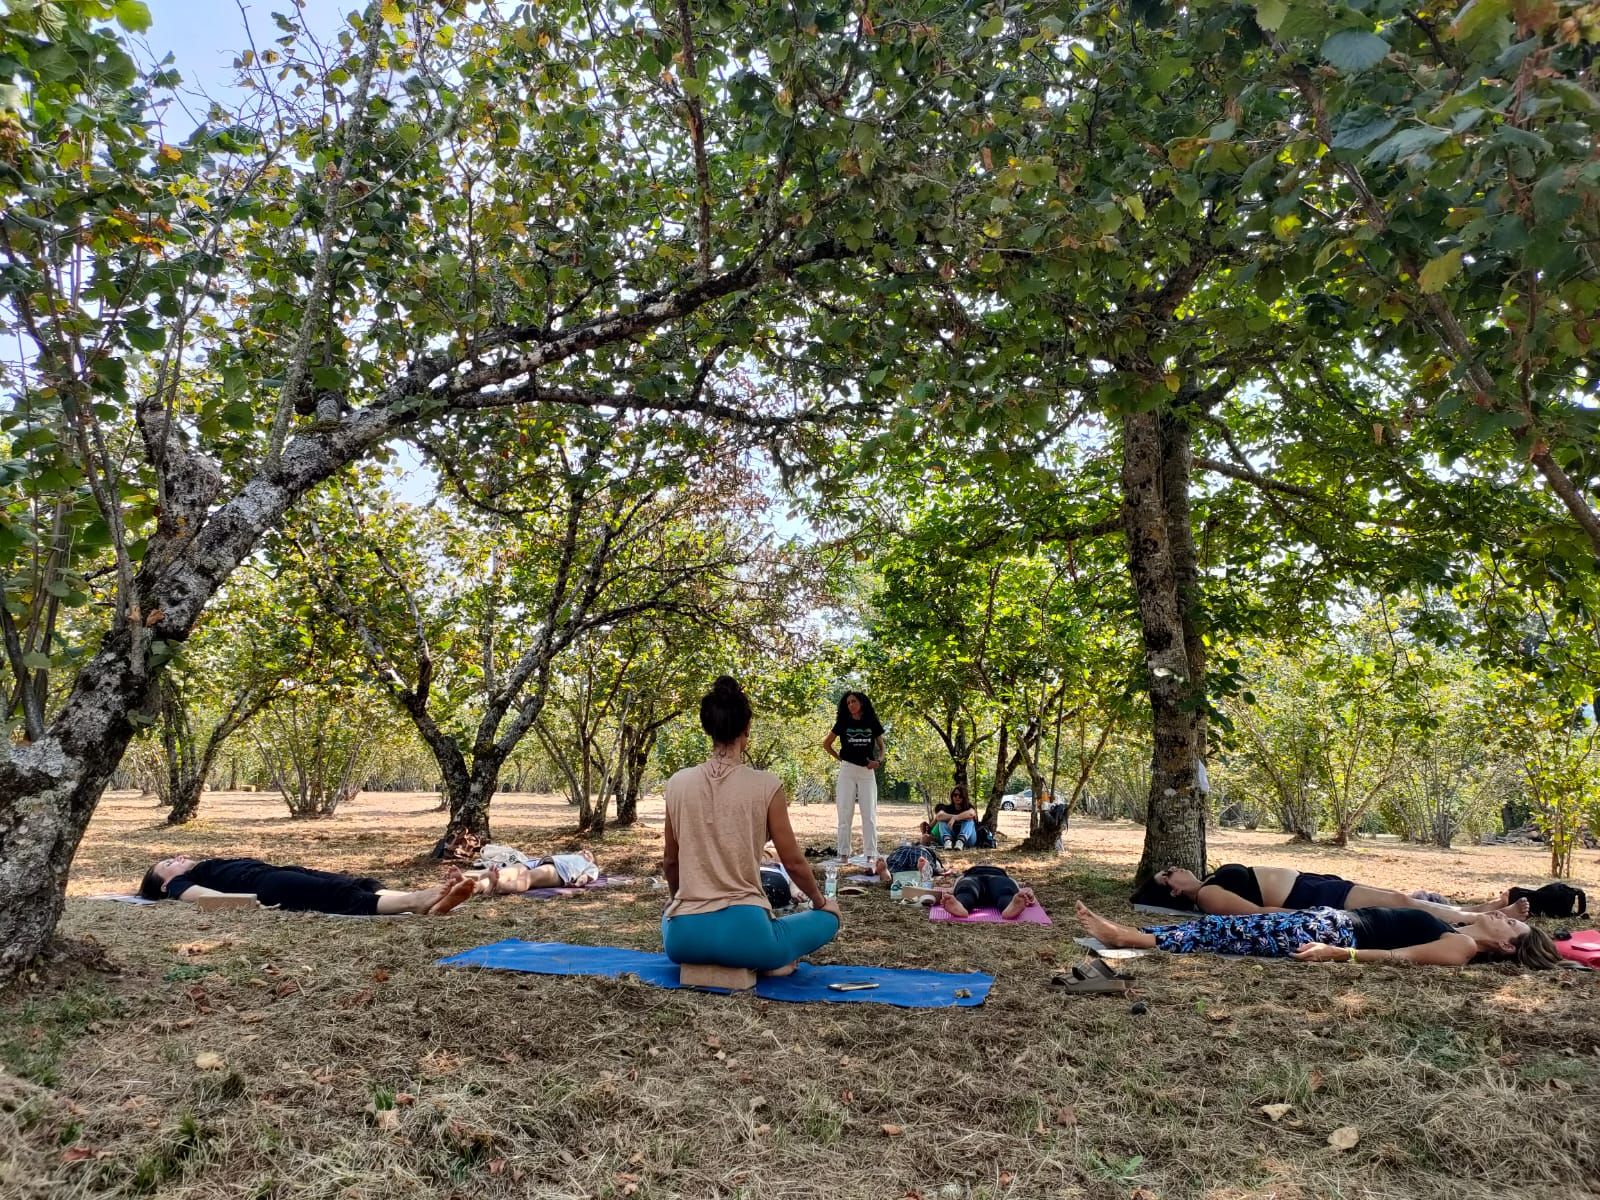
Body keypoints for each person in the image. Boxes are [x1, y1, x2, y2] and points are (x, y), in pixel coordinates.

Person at [662, 676, 842, 975]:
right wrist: (822, 902)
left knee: (667, 916)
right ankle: (768, 962)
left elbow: (670, 862)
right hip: (750, 936)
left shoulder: (677, 783)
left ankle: (723, 957)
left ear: (707, 729)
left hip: (683, 941)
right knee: (829, 917)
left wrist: (676, 904)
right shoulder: (767, 785)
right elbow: (794, 863)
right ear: (747, 729)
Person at [1074, 901, 1563, 968]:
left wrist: (1338, 953)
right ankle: (1139, 933)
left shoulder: (1461, 946)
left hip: (1325, 932)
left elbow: (1400, 957)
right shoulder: (1462, 925)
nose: (1504, 917)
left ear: (1504, 944)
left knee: (1227, 932)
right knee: (1221, 926)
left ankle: (1134, 939)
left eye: (1512, 925)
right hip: (1326, 917)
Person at [1141, 864, 1532, 923]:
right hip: (1307, 897)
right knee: (1397, 903)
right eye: (1168, 873)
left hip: (1313, 883)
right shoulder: (1207, 898)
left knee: (1397, 897)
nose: (1176, 868)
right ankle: (1478, 919)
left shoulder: (1210, 881)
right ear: (1174, 891)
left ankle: (1472, 910)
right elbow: (1261, 912)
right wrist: (1317, 913)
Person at [138, 856, 476, 916]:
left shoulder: (202, 866)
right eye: (169, 864)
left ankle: (430, 902)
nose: (177, 859)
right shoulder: (181, 884)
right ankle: (416, 902)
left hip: (278, 871)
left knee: (358, 882)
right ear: (166, 884)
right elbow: (204, 898)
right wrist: (249, 905)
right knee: (339, 896)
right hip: (267, 885)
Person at [822, 691, 885, 860]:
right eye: (848, 702)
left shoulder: (871, 721)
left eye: (853, 701)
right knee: (844, 812)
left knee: (869, 814)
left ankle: (870, 853)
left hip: (867, 771)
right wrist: (840, 758)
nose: (850, 705)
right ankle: (843, 853)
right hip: (847, 770)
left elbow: (882, 746)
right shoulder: (843, 722)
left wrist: (878, 761)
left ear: (861, 703)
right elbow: (826, 744)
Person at [455, 849, 600, 896]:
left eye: (589, 853)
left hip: (558, 871)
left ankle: (499, 886)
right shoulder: (567, 855)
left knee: (528, 877)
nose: (585, 852)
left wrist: (579, 883)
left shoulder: (590, 865)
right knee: (507, 872)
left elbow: (586, 877)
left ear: (592, 860)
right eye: (584, 850)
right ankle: (477, 886)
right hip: (537, 861)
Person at [930, 864, 1038, 920]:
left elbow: (957, 884)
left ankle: (961, 905)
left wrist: (953, 890)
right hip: (997, 879)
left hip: (974, 878)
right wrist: (1021, 892)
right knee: (1006, 891)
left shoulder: (966, 875)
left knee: (966, 890)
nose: (986, 863)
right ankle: (1009, 907)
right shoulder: (1004, 875)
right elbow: (1013, 883)